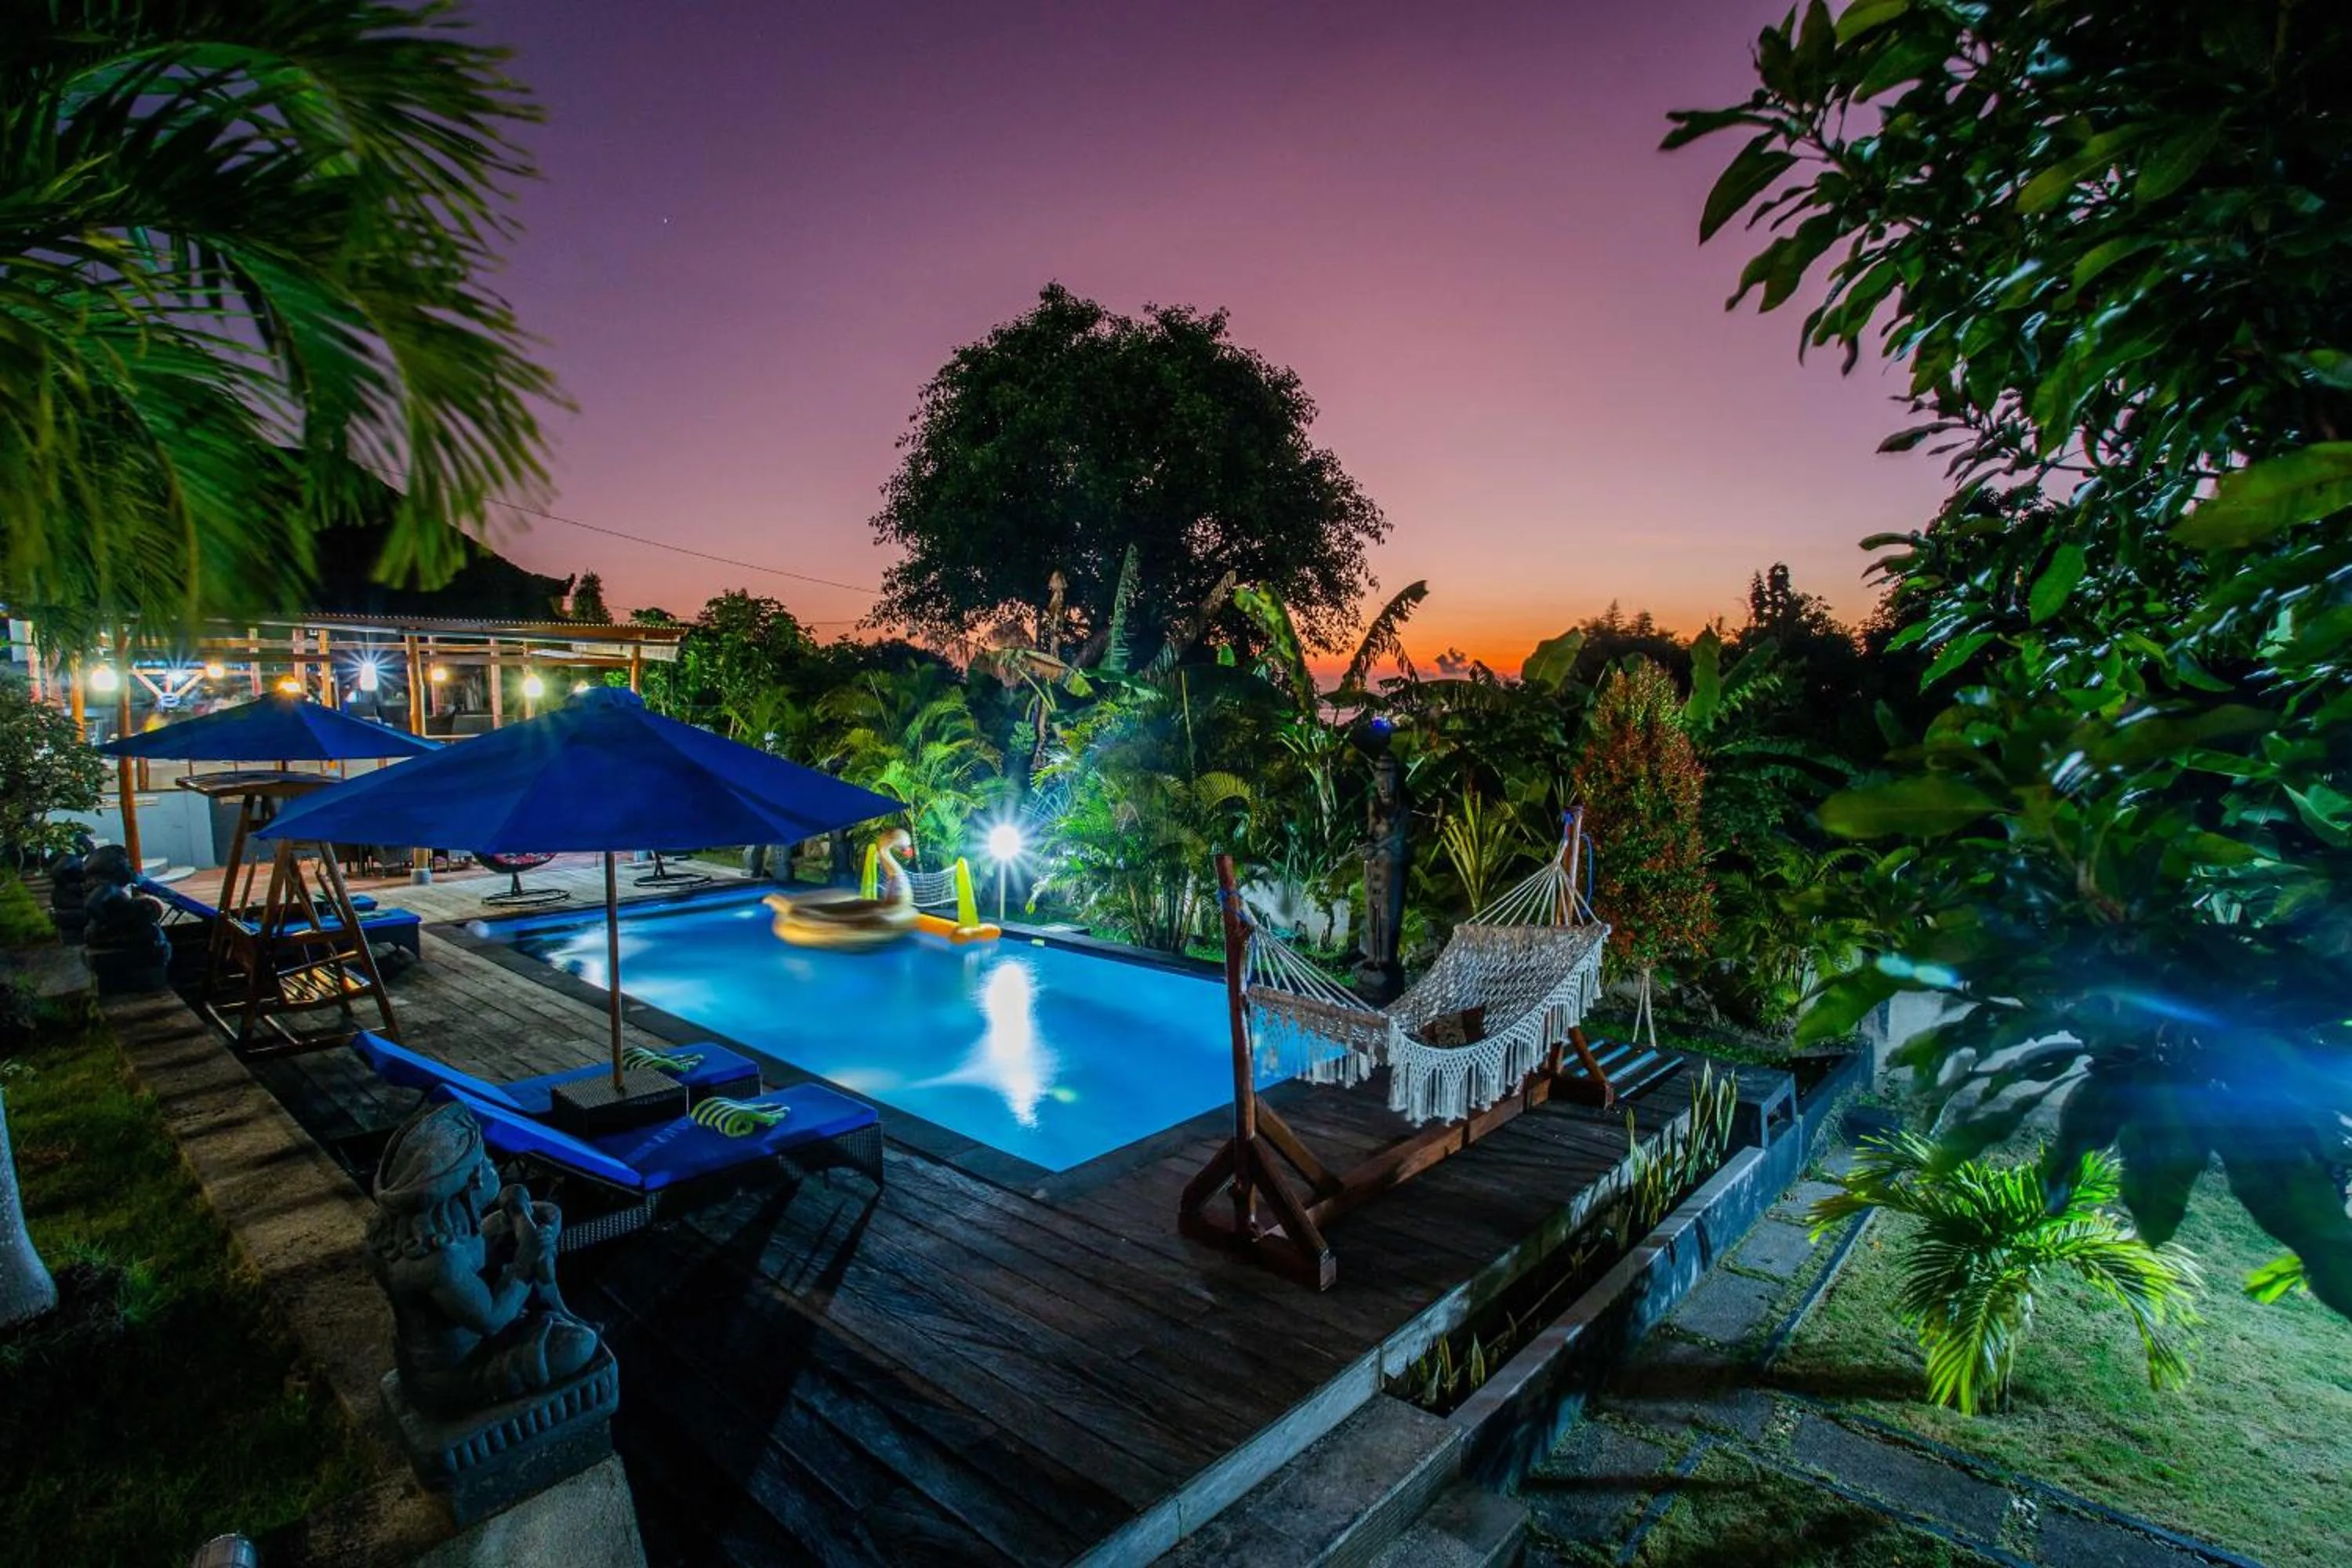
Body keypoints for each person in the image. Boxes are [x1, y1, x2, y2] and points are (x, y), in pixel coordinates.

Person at [365, 1102, 599, 1416]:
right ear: (468, 1184)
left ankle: (550, 1305)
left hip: (463, 1316)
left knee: (541, 1216)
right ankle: (549, 1313)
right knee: (578, 1344)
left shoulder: (416, 1235)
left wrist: (521, 1221)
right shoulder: (440, 1262)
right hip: (457, 1373)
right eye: (485, 1160)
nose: (491, 1166)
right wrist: (524, 1260)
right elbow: (492, 1320)